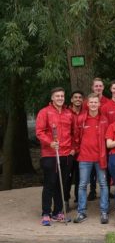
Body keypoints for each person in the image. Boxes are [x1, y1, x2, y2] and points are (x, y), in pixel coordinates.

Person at [36, 87, 75, 226]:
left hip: (66, 155)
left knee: (61, 184)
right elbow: (40, 132)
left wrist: (73, 148)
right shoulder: (44, 112)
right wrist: (50, 143)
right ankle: (46, 213)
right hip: (50, 154)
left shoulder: (68, 113)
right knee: (50, 184)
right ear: (52, 98)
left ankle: (58, 212)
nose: (60, 98)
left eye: (62, 96)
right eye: (57, 96)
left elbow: (73, 133)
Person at [73, 94, 110, 224]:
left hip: (100, 158)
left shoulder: (104, 120)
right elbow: (76, 137)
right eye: (91, 102)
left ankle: (104, 212)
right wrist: (78, 151)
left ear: (99, 104)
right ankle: (81, 212)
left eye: (96, 102)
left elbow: (108, 138)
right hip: (84, 157)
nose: (94, 104)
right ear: (87, 104)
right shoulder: (82, 119)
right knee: (82, 184)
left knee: (104, 185)